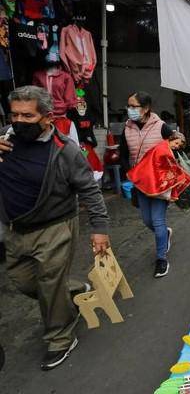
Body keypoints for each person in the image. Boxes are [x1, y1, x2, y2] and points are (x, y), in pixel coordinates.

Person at [0, 86, 110, 370]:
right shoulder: (4, 141)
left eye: (28, 115)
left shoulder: (65, 151)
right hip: (14, 230)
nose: (19, 121)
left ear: (48, 117)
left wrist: (99, 228)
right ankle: (73, 289)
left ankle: (60, 338)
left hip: (55, 227)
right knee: (24, 282)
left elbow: (90, 190)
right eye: (14, 115)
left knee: (50, 285)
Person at [120, 91, 175, 278]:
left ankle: (161, 259)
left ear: (145, 108)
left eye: (133, 106)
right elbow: (123, 154)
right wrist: (129, 173)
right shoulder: (127, 128)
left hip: (159, 183)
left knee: (158, 221)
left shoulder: (161, 126)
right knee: (147, 220)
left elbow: (176, 142)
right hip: (140, 183)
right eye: (128, 106)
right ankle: (165, 234)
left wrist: (175, 145)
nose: (130, 109)